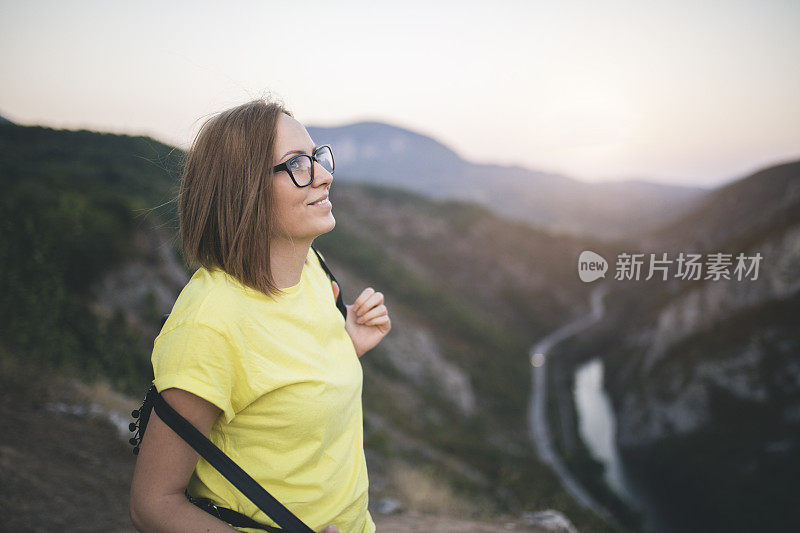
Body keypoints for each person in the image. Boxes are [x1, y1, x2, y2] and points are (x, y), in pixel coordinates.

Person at [129, 96, 390, 533]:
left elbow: (279, 386)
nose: (324, 176)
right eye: (297, 165)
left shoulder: (309, 266)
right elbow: (152, 505)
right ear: (243, 189)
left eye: (317, 157)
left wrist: (346, 345)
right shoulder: (210, 324)